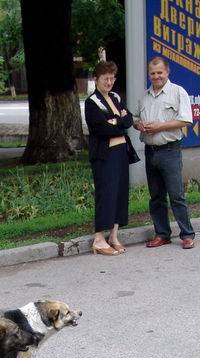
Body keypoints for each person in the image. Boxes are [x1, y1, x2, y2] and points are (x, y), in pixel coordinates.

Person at [134, 56, 196, 249]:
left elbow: (186, 120)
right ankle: (162, 234)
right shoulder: (144, 96)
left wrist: (160, 127)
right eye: (152, 73)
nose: (156, 76)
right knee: (156, 197)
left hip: (170, 150)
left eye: (159, 72)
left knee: (176, 195)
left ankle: (187, 234)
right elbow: (135, 119)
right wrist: (140, 125)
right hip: (151, 151)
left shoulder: (178, 92)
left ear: (167, 72)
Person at [84, 60, 135, 256]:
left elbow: (128, 120)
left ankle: (114, 235)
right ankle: (99, 238)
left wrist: (118, 120)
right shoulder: (92, 102)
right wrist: (118, 121)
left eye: (112, 78)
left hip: (121, 152)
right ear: (96, 79)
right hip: (105, 156)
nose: (109, 82)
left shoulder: (115, 96)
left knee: (120, 192)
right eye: (106, 78)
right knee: (106, 193)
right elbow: (102, 129)